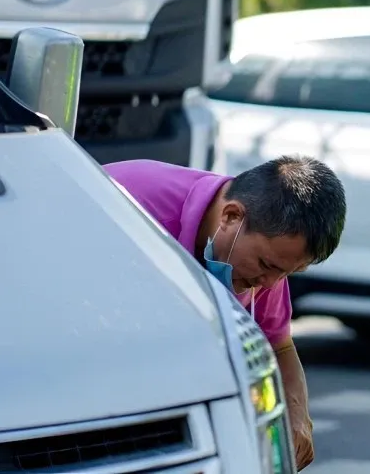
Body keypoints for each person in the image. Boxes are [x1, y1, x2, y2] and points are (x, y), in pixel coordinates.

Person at [104, 155, 346, 471]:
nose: (270, 284)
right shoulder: (127, 210)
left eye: (287, 274)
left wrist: (298, 414)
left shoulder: (264, 252)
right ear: (231, 216)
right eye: (267, 266)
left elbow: (279, 344)